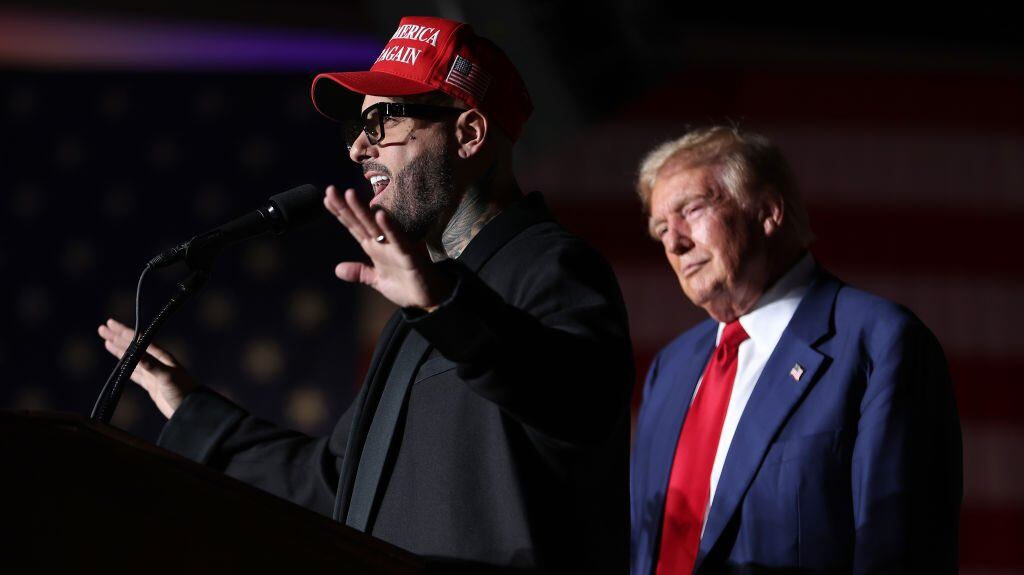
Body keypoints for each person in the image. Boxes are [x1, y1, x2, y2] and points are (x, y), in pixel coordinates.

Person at [98, 16, 633, 573]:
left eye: (383, 121)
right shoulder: (417, 311)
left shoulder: (552, 266)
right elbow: (332, 479)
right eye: (358, 126)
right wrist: (189, 409)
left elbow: (580, 399)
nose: (357, 148)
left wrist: (443, 308)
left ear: (470, 134)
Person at [629, 126, 962, 574]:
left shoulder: (880, 343)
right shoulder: (669, 369)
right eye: (661, 228)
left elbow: (899, 553)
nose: (674, 242)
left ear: (767, 211)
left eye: (691, 210)